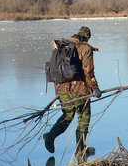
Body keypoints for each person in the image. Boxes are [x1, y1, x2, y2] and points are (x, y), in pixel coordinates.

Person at [43, 26, 101, 159]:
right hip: (79, 89)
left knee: (68, 115)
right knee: (84, 116)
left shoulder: (63, 46)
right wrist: (95, 87)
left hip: (61, 88)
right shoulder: (85, 48)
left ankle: (50, 136)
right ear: (87, 37)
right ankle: (81, 149)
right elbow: (88, 70)